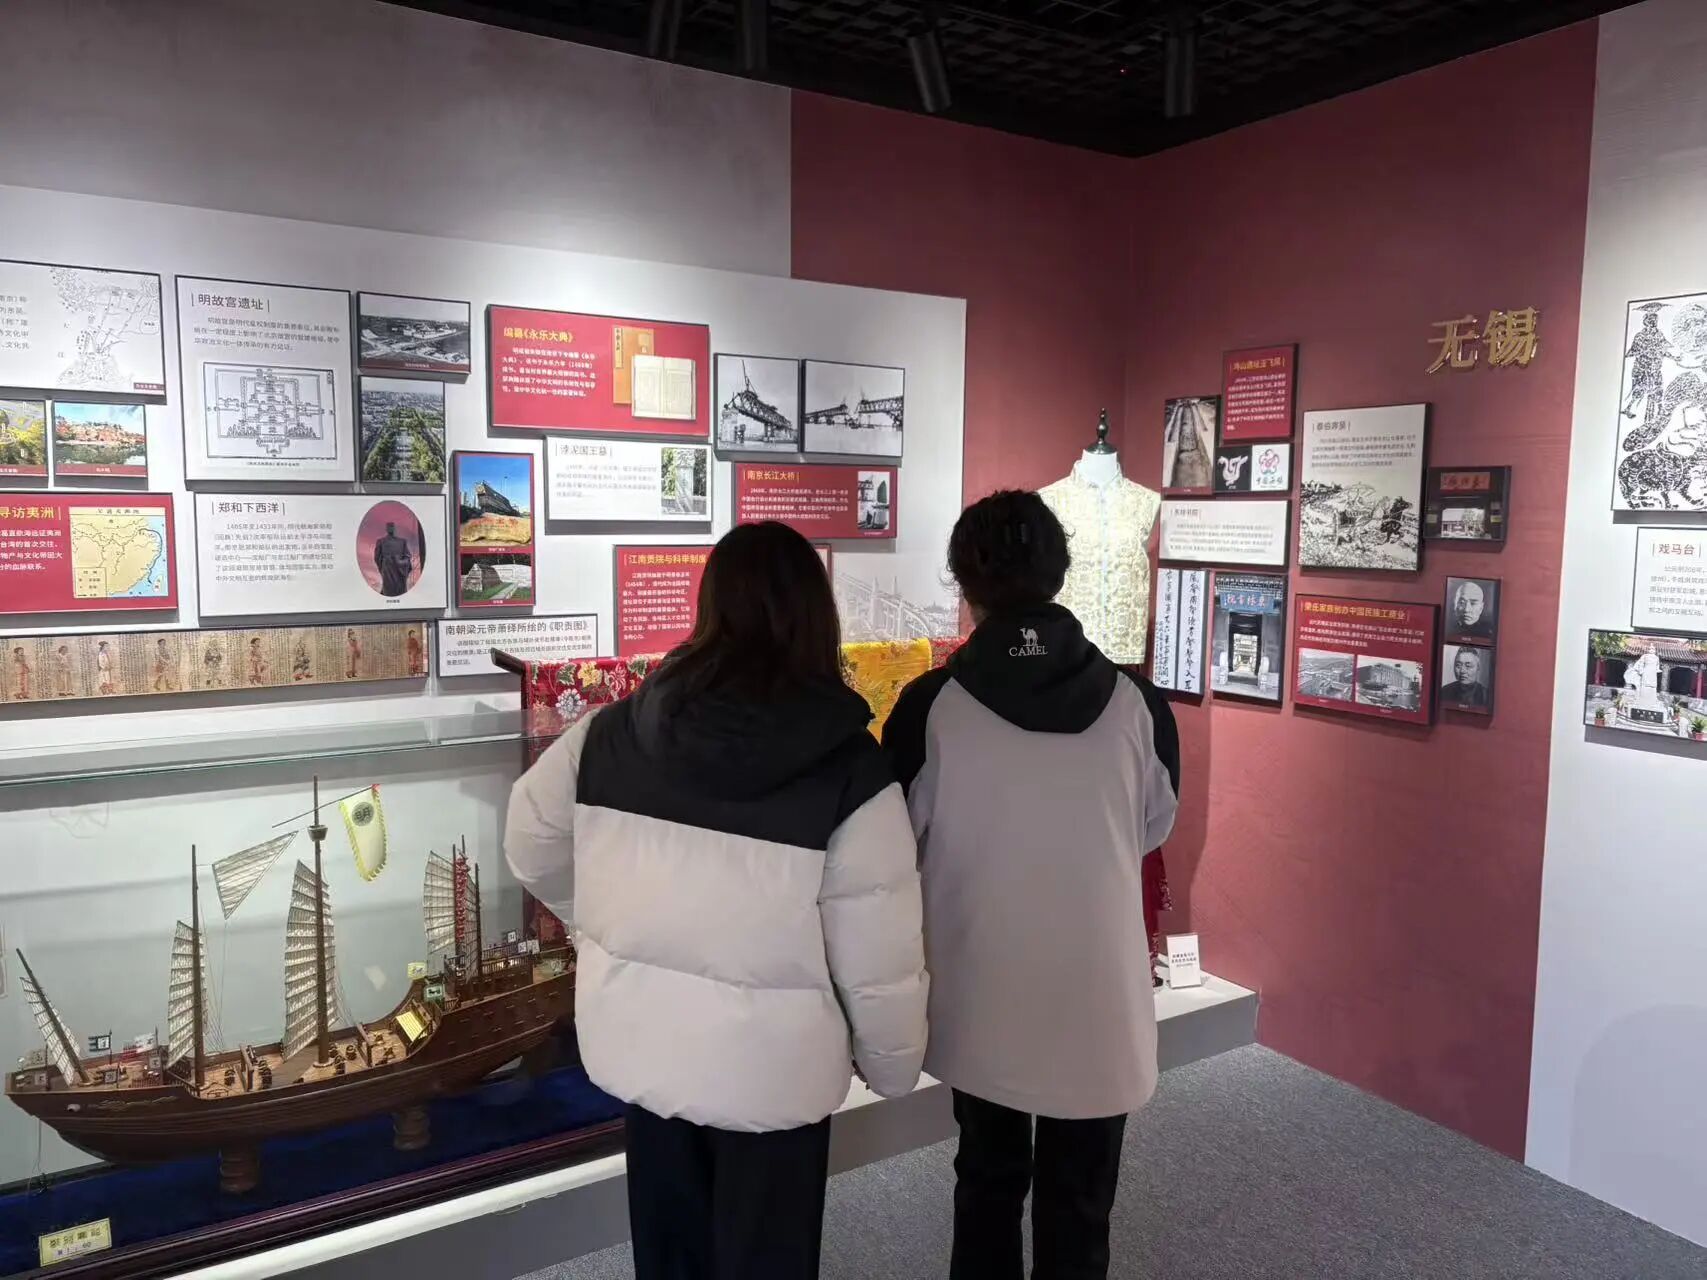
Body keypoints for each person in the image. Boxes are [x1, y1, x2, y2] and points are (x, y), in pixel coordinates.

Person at [505, 520, 928, 1280]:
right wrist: (892, 1066)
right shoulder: (849, 770)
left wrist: (607, 926)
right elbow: (878, 948)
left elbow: (529, 838)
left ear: (709, 606)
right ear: (815, 616)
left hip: (645, 1046)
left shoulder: (609, 732)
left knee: (669, 1255)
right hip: (773, 1074)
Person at [883, 490, 1179, 1280]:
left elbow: (896, 842)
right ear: (1060, 572)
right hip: (1100, 994)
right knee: (1081, 1204)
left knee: (985, 1182)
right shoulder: (1139, 705)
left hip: (982, 986)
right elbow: (1151, 829)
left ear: (962, 583)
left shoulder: (928, 708)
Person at [373, 519, 413, 597]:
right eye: (389, 527)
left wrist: (400, 562)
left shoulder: (402, 541)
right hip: (387, 571)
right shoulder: (381, 541)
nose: (390, 529)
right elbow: (377, 557)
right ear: (386, 529)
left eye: (392, 527)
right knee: (388, 591)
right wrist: (384, 566)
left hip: (400, 571)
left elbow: (407, 556)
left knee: (400, 592)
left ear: (394, 529)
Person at [1441, 646, 1490, 710]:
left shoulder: (1486, 695)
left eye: (1468, 666)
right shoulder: (1444, 691)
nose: (1462, 671)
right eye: (1458, 665)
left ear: (1478, 668)